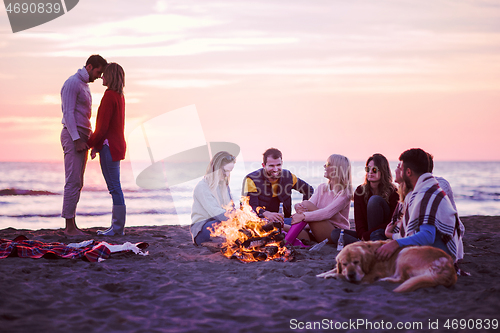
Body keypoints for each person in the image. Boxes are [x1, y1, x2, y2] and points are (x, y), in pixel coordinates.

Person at [376, 148, 465, 262]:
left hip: (438, 258)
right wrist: (393, 237)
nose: (397, 170)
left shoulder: (426, 194)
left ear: (408, 172)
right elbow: (412, 234)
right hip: (431, 252)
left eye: (401, 168)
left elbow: (427, 236)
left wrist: (395, 243)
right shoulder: (422, 191)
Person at [60, 54, 107, 236]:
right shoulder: (72, 83)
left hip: (82, 136)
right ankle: (69, 228)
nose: (99, 76)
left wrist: (89, 139)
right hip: (74, 136)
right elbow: (68, 113)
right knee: (72, 181)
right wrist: (76, 139)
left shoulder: (84, 85)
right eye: (98, 71)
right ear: (89, 67)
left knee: (78, 182)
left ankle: (72, 225)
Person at [87, 63, 127, 236]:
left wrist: (91, 144)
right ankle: (117, 227)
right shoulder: (119, 96)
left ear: (110, 77)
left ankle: (117, 228)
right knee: (115, 187)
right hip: (115, 145)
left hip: (109, 146)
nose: (101, 77)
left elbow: (103, 126)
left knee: (114, 188)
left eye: (104, 75)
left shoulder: (109, 96)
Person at [286, 154, 353, 243]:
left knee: (306, 204)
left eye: (328, 164)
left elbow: (327, 213)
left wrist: (303, 216)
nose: (324, 166)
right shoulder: (322, 187)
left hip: (334, 234)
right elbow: (307, 207)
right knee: (280, 226)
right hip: (314, 231)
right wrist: (298, 207)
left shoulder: (345, 193)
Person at [242, 148, 314, 225]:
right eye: (271, 166)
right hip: (259, 222)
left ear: (282, 163)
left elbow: (308, 190)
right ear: (263, 165)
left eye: (278, 165)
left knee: (308, 223)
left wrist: (302, 207)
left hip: (284, 221)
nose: (275, 169)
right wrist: (266, 214)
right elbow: (250, 206)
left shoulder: (288, 177)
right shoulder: (251, 179)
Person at [191, 151, 236, 245]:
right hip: (203, 228)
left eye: (229, 171)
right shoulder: (202, 186)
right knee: (219, 225)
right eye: (225, 171)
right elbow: (215, 212)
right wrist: (236, 219)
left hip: (223, 222)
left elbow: (231, 208)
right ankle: (208, 243)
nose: (227, 175)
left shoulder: (224, 185)